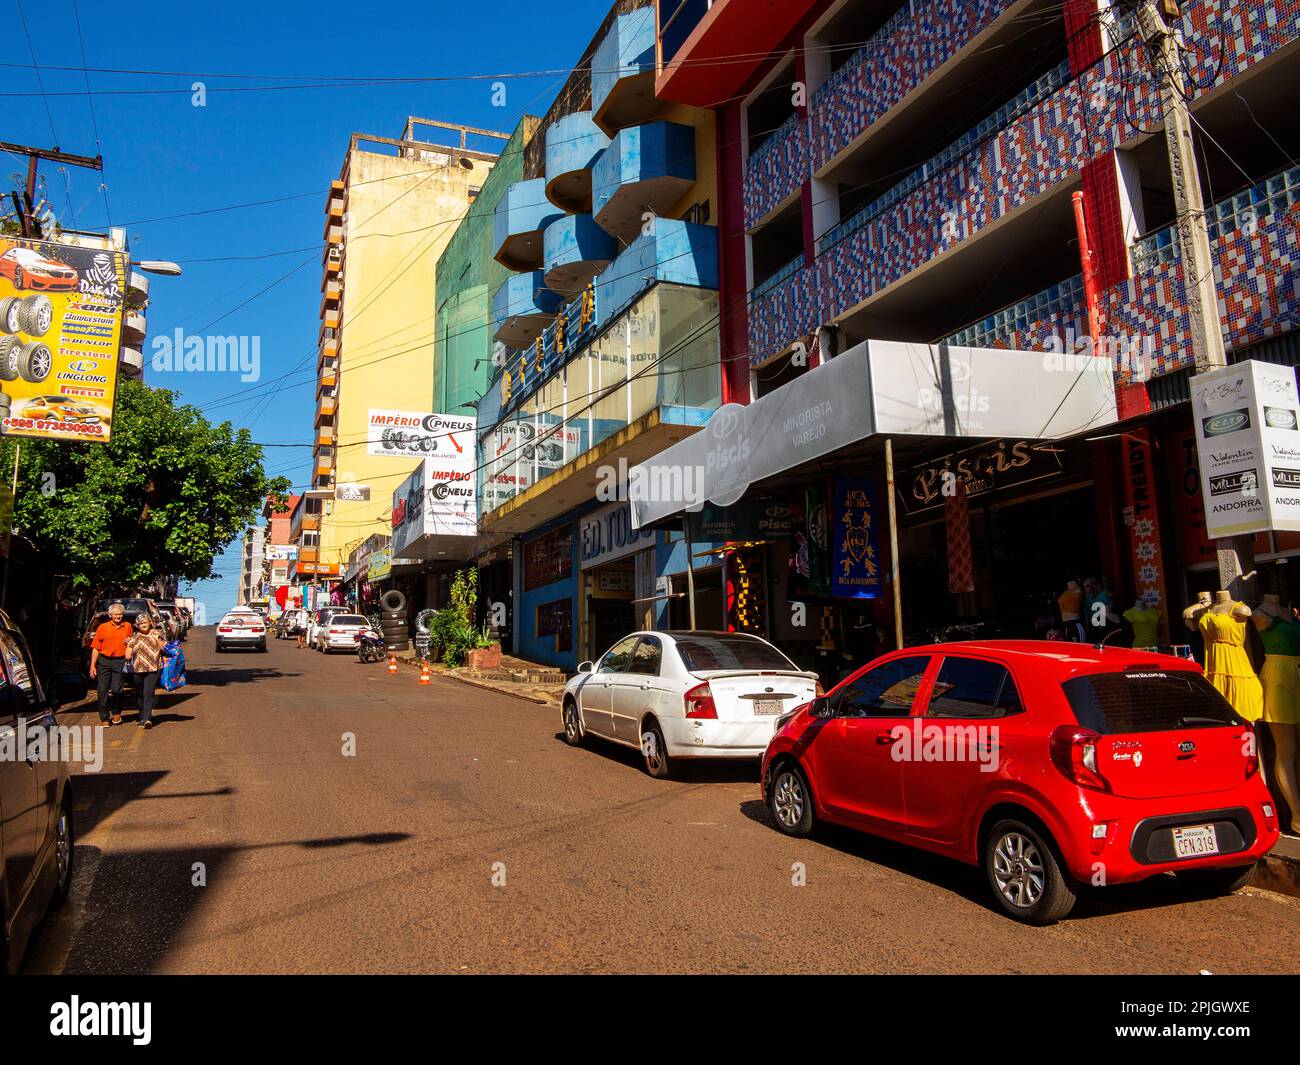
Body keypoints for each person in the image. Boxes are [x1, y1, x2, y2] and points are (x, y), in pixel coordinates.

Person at [89, 601, 131, 726]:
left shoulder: (128, 626)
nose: (118, 616)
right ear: (110, 615)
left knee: (117, 690)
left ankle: (117, 713)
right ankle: (104, 718)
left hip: (120, 661)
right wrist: (93, 665)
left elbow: (131, 644)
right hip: (104, 661)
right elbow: (96, 647)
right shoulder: (103, 627)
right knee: (102, 690)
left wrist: (131, 640)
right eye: (115, 614)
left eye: (120, 614)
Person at [125, 613, 167, 729]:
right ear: (138, 625)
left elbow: (164, 648)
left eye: (145, 622)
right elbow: (128, 652)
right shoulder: (135, 636)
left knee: (148, 692)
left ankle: (147, 718)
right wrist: (128, 651)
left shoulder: (157, 634)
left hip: (154, 668)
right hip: (138, 669)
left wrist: (157, 638)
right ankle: (142, 715)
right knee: (140, 694)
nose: (143, 625)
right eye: (141, 623)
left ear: (150, 623)